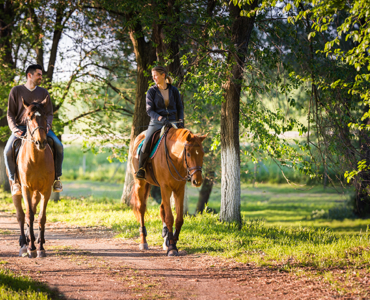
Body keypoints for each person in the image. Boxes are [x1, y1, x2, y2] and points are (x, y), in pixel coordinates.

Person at [4, 64, 64, 196]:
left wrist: (47, 125)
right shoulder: (16, 91)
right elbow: (10, 114)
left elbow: (49, 113)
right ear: (29, 75)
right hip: (21, 127)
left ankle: (57, 179)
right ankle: (14, 181)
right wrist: (14, 129)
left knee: (59, 146)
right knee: (7, 151)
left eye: (41, 75)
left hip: (41, 128)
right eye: (39, 74)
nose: (41, 77)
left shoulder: (44, 92)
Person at [136, 66, 184, 180]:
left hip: (173, 121)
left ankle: (185, 169)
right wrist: (160, 119)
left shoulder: (174, 90)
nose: (154, 78)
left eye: (156, 75)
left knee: (187, 141)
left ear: (163, 75)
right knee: (147, 141)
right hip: (157, 122)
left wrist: (181, 120)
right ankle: (141, 168)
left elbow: (180, 108)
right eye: (153, 76)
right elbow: (149, 110)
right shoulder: (151, 91)